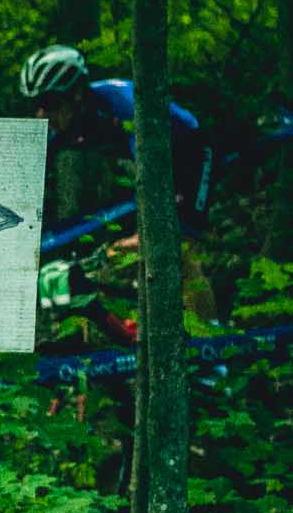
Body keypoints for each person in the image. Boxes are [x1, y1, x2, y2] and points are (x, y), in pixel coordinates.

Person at [19, 43, 214, 319]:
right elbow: (31, 175)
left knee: (178, 248)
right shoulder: (66, 121)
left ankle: (209, 335)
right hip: (148, 166)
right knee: (122, 255)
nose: (41, 114)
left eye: (49, 103)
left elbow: (150, 172)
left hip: (189, 155)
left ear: (76, 94)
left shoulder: (122, 104)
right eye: (35, 105)